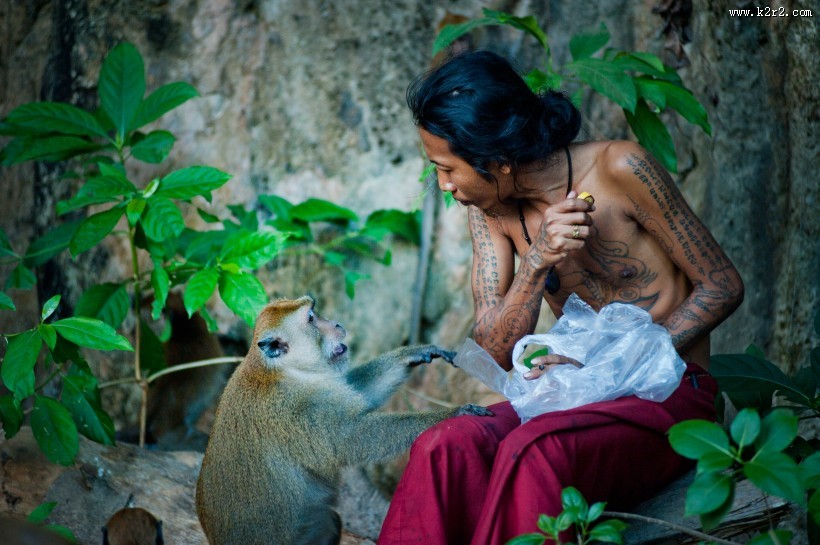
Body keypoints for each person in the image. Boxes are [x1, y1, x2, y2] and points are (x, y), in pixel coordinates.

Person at [377, 50, 744, 545]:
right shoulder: (490, 210)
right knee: (446, 443)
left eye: (448, 169)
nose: (445, 187)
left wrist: (613, 366)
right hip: (569, 399)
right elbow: (491, 350)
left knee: (535, 449)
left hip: (671, 391)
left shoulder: (622, 167)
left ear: (498, 163)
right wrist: (535, 263)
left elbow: (722, 284)